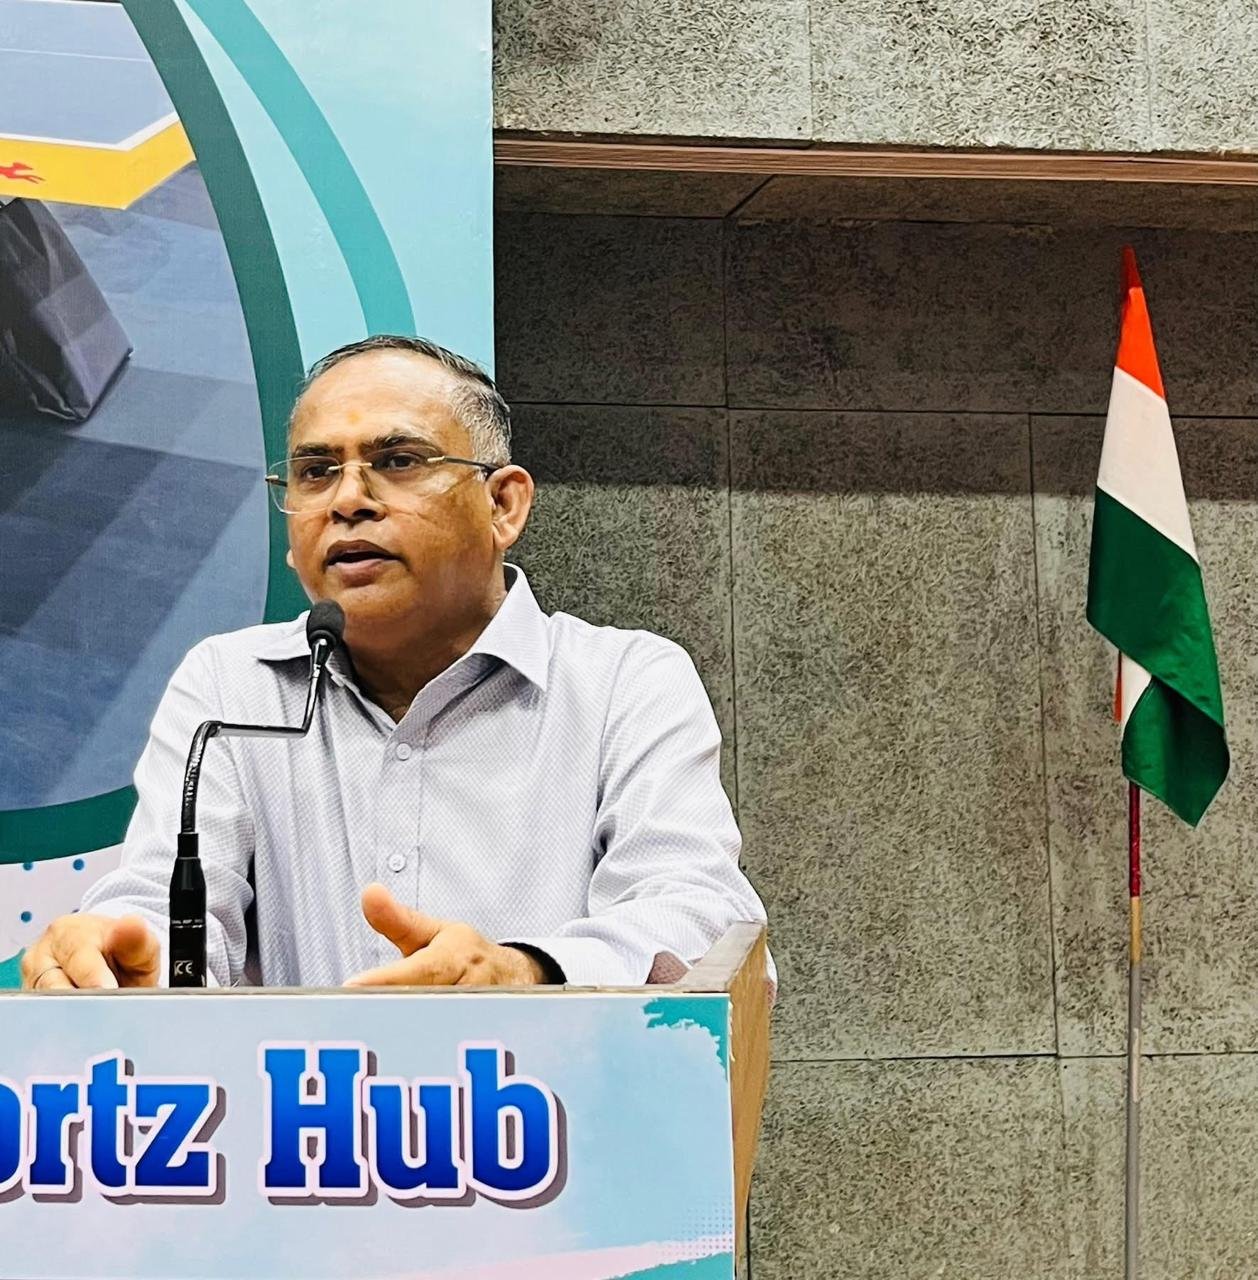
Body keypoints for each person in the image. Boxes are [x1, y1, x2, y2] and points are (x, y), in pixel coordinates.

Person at [20, 335, 768, 991]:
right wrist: (119, 955)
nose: (347, 500)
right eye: (316, 472)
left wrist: (527, 973)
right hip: (304, 1112)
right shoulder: (231, 687)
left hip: (547, 1106)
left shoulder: (623, 683)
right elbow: (167, 903)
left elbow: (703, 921)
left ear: (503, 506)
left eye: (398, 461)